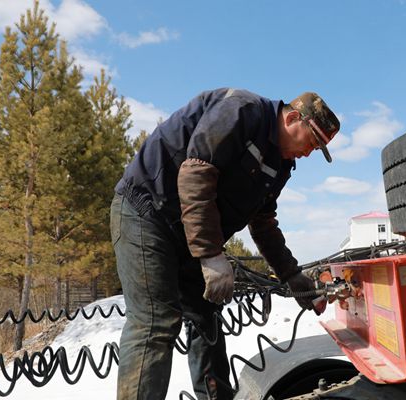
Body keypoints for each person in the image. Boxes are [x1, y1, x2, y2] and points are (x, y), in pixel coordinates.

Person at [109, 88, 340, 400]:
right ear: (293, 119)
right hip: (147, 212)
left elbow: (263, 223)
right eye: (311, 142)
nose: (308, 153)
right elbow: (196, 172)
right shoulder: (242, 110)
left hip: (189, 230)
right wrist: (210, 255)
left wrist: (292, 275)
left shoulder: (280, 164)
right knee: (155, 322)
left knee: (207, 318)